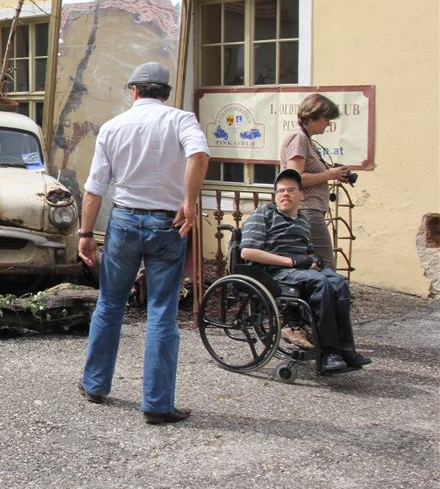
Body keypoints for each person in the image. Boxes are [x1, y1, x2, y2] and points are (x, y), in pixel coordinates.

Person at [77, 61, 209, 425]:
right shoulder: (181, 120)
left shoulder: (113, 126)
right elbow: (198, 155)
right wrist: (190, 203)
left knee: (110, 303)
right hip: (168, 222)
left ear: (134, 91)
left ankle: (95, 384)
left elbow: (94, 188)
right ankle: (157, 403)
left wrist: (85, 234)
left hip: (122, 220)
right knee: (162, 310)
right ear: (165, 93)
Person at [239, 169, 371, 373]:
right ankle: (328, 353)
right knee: (322, 284)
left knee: (339, 282)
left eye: (291, 190)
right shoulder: (263, 214)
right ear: (275, 195)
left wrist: (313, 259)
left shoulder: (302, 221)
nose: (285, 194)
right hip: (274, 272)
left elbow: (307, 252)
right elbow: (248, 252)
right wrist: (292, 261)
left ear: (301, 195)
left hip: (301, 269)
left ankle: (345, 349)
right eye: (280, 190)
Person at [280, 93, 354, 268]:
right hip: (307, 209)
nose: (329, 124)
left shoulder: (305, 139)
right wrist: (330, 174)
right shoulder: (299, 138)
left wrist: (331, 173)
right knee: (326, 264)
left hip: (310, 209)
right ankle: (328, 295)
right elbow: (295, 178)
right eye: (327, 118)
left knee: (313, 264)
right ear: (313, 116)